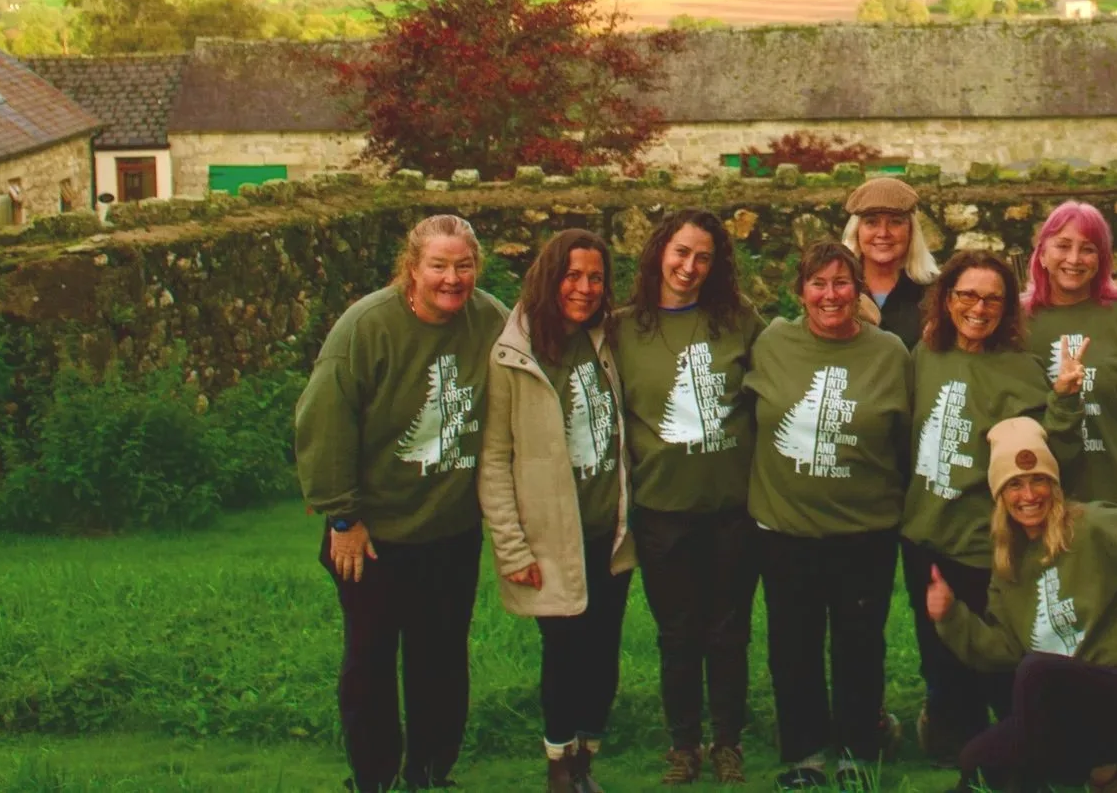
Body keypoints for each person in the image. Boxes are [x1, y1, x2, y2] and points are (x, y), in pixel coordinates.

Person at [295, 214, 508, 793]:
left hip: (450, 530)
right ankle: (374, 777)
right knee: (369, 662)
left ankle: (431, 773)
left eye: (463, 265)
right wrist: (343, 516)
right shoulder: (365, 327)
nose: (452, 278)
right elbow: (324, 421)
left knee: (440, 659)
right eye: (438, 265)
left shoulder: (490, 319)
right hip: (371, 535)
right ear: (411, 268)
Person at [927, 416, 1117, 793]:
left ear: (1055, 485)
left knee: (1036, 675)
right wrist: (950, 617)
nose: (1029, 496)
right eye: (1015, 484)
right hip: (1072, 707)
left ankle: (1099, 765)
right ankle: (1107, 772)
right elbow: (1004, 650)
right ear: (999, 495)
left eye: (1039, 481)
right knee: (975, 759)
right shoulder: (1007, 565)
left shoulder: (1096, 525)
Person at [745, 241, 915, 792]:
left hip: (864, 531)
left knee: (859, 642)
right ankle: (804, 752)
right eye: (818, 284)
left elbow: (906, 438)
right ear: (800, 292)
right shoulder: (772, 343)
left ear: (859, 289)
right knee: (792, 644)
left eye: (843, 283)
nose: (830, 295)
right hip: (785, 529)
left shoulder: (889, 353)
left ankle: (858, 748)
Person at [901, 248, 1083, 761]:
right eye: (966, 295)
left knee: (996, 656)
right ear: (946, 298)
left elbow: (1053, 457)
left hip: (986, 543)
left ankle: (1008, 745)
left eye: (992, 299)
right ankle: (953, 742)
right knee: (939, 655)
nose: (978, 308)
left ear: (1007, 309)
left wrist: (1065, 399)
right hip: (924, 534)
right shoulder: (925, 355)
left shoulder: (1020, 371)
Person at [481, 227, 637, 793]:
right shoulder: (513, 352)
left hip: (609, 530)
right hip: (551, 537)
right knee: (565, 655)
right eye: (573, 275)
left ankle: (587, 761)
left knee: (603, 656)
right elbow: (495, 459)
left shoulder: (608, 340)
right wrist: (512, 546)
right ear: (551, 277)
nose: (585, 287)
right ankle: (557, 764)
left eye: (596, 277)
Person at [614, 210, 766, 785]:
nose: (689, 266)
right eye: (680, 252)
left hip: (731, 509)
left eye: (702, 257)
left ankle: (728, 741)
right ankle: (683, 745)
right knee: (677, 633)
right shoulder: (625, 327)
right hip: (662, 511)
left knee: (729, 632)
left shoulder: (738, 320)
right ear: (659, 252)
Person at [1021, 201, 1117, 528]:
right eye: (1062, 246)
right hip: (1044, 502)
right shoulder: (1019, 324)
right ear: (1042, 253)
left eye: (1087, 249)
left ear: (1102, 259)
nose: (1074, 259)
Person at [841, 176, 939, 346]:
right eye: (871, 222)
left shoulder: (935, 292)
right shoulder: (838, 288)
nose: (883, 233)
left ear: (911, 231)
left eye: (895, 222)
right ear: (856, 231)